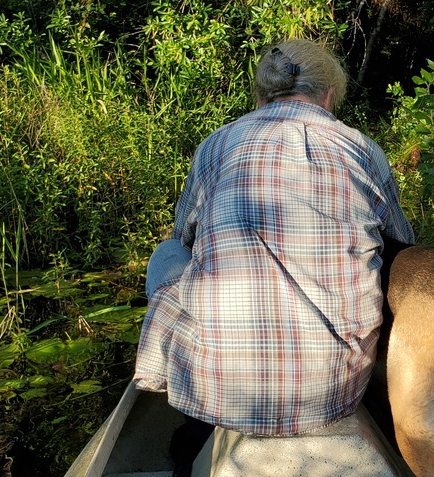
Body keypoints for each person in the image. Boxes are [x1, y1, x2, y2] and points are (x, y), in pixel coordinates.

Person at [134, 38, 415, 446]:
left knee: (168, 252)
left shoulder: (215, 145)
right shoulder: (361, 148)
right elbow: (402, 243)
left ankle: (167, 373)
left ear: (261, 94)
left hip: (221, 392)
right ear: (330, 94)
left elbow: (186, 237)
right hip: (332, 394)